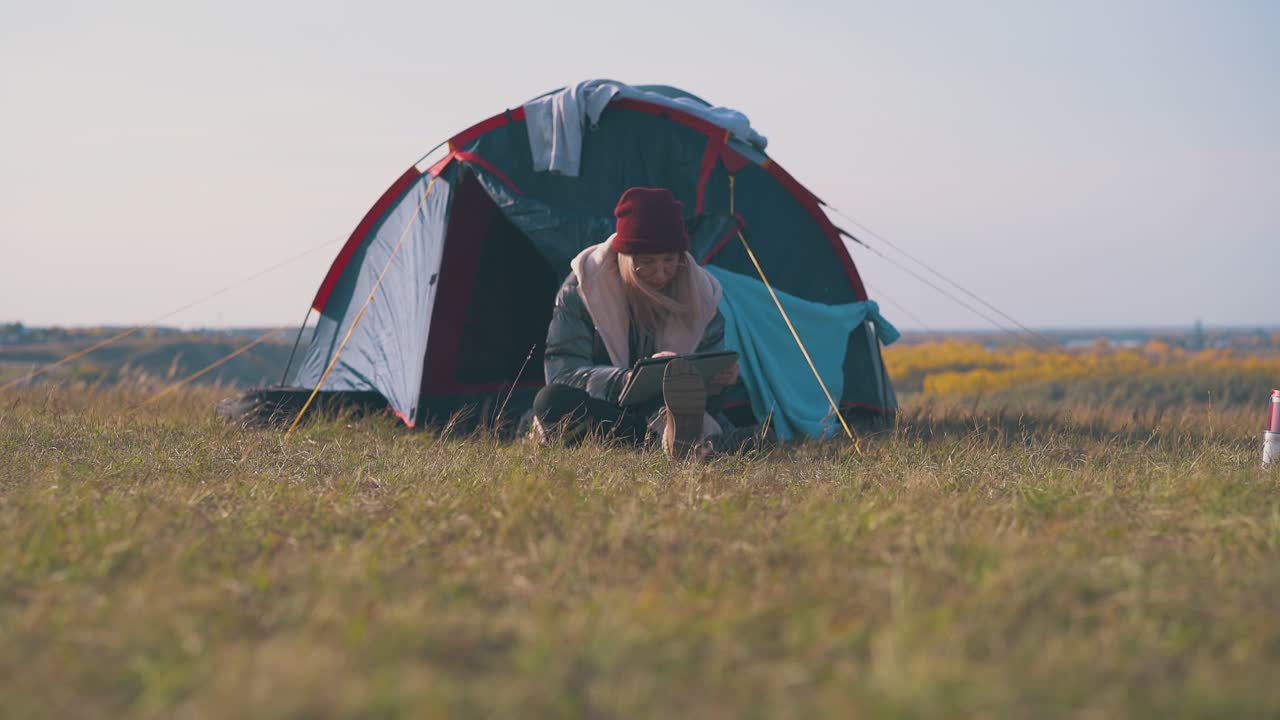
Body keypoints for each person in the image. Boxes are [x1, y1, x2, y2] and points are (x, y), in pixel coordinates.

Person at [531, 187, 741, 458]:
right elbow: (563, 372)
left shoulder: (701, 293)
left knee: (683, 403)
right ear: (625, 258)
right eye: (647, 262)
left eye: (670, 260)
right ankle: (687, 444)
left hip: (670, 409)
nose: (661, 273)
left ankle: (681, 439)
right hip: (607, 406)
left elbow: (707, 386)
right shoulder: (582, 289)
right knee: (550, 402)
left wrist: (721, 379)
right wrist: (626, 380)